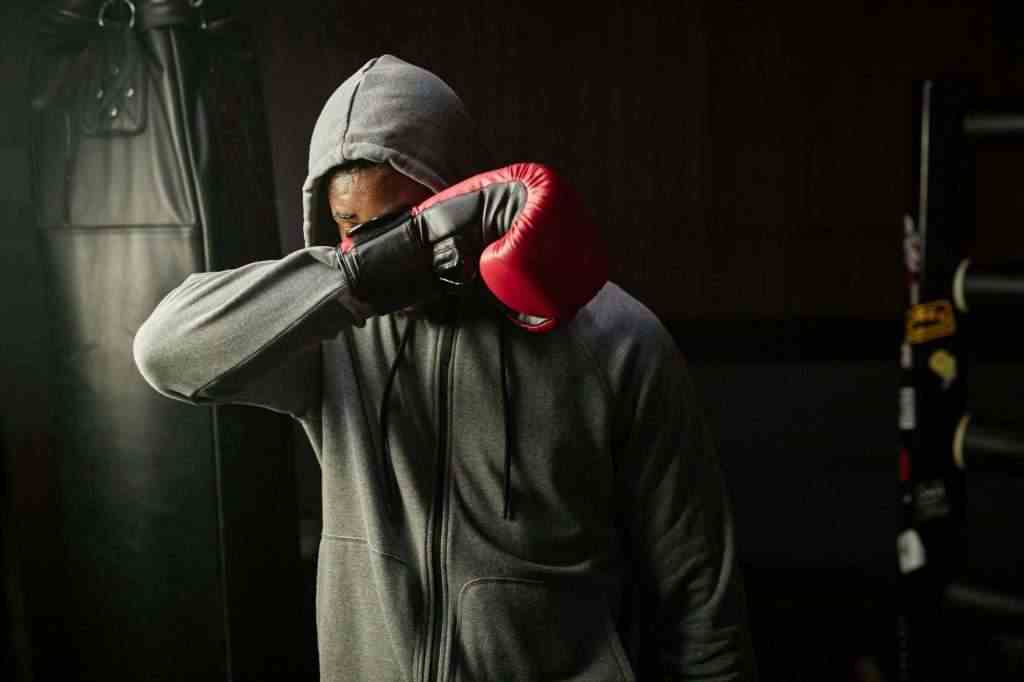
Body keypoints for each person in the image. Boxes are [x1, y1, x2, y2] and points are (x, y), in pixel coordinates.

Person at [133, 54, 756, 681]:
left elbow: (697, 588)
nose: (378, 247)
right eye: (352, 227)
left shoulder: (615, 338)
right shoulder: (330, 335)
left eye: (405, 223)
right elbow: (165, 353)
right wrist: (367, 271)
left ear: (461, 193)